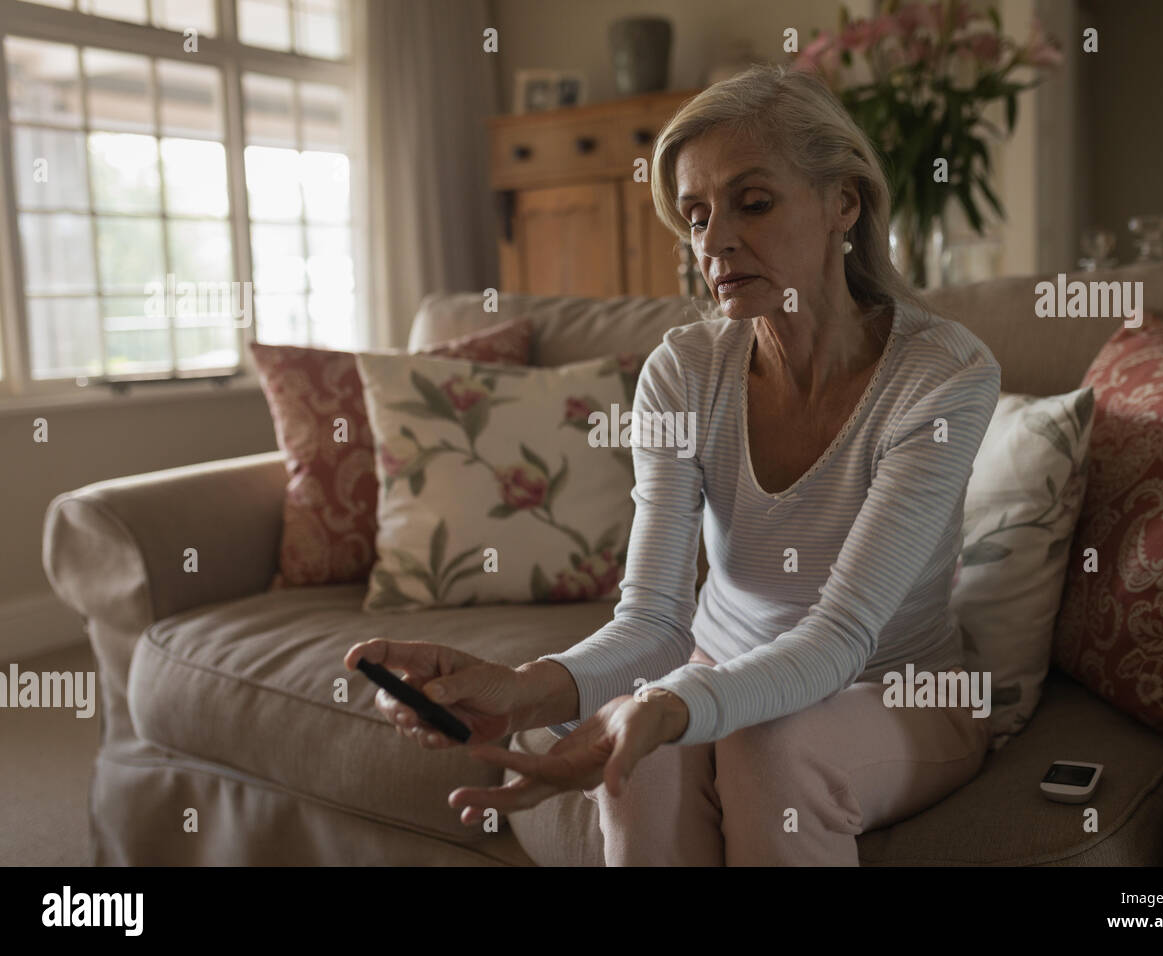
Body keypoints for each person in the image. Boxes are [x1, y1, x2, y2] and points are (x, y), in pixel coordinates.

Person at [345, 63, 1000, 866]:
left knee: (770, 748)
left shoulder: (943, 375)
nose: (715, 242)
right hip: (717, 664)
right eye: (696, 215)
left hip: (898, 689)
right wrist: (523, 690)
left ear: (844, 203)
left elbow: (841, 638)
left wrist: (670, 700)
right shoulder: (684, 371)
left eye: (753, 203)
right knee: (641, 757)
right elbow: (655, 622)